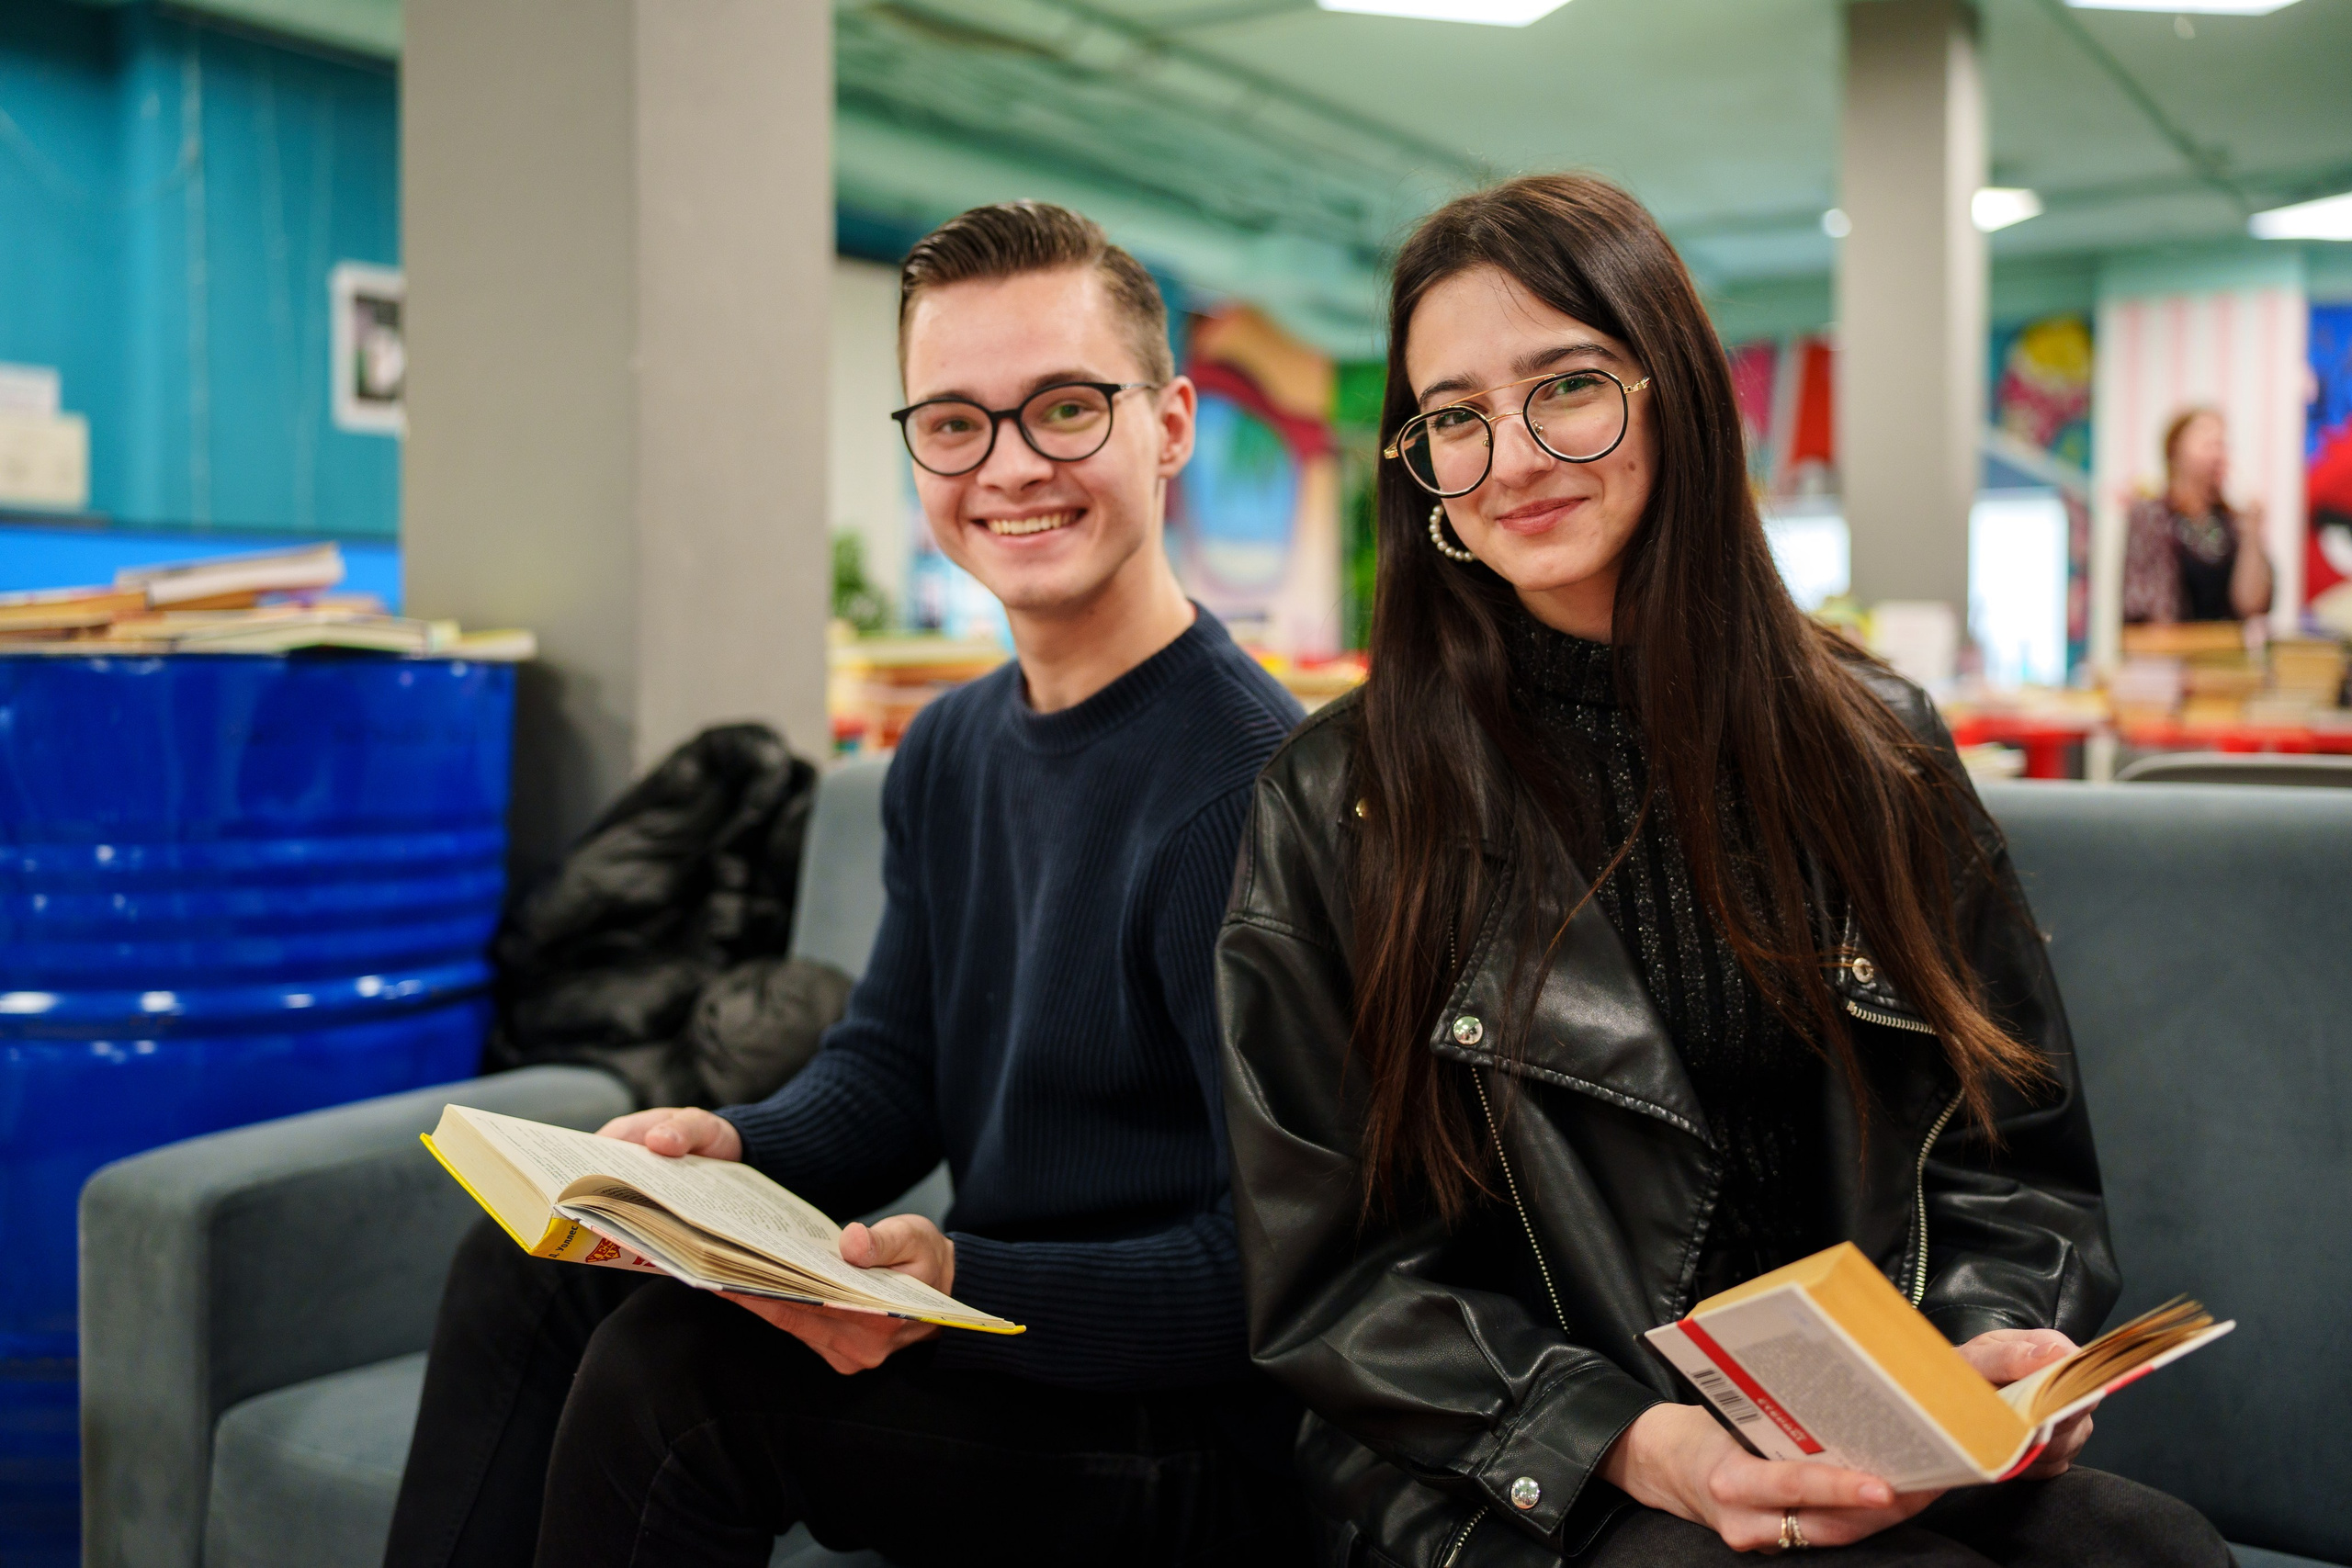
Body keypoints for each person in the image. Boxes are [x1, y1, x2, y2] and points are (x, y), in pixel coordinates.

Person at [1215, 174, 2231, 1565]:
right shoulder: (1339, 798)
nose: (1510, 455)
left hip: (1859, 1424)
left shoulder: (1876, 745)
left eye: (1564, 386)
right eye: (1454, 415)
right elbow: (1335, 1280)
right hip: (1525, 1459)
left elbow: (2008, 1152)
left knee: (2148, 1547)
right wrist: (1646, 1445)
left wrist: (1970, 1351)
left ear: (1675, 390)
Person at [382, 202, 1308, 1568]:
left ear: (1168, 424)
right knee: (530, 1266)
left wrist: (962, 1275)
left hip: (1184, 1426)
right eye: (953, 422)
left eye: (1063, 406)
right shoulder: (947, 746)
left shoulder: (1252, 790)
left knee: (678, 1384)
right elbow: (895, 1064)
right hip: (1000, 1335)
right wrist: (732, 1149)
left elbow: (1283, 1267)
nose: (1008, 466)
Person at [2123, 406, 2274, 626]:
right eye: (2206, 441)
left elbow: (2251, 606)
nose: (2217, 451)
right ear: (2175, 449)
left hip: (2224, 653)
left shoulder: (2230, 523)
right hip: (2169, 655)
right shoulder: (2152, 515)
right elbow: (2147, 609)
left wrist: (2252, 534)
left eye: (2221, 444)